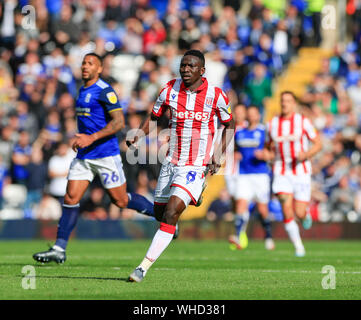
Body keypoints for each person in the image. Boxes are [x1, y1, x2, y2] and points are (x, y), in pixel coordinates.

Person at [33, 53, 156, 264]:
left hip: (106, 155)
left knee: (121, 200)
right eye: (83, 63)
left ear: (99, 69)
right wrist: (80, 139)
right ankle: (59, 248)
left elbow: (119, 122)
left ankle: (163, 216)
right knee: (71, 198)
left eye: (90, 63)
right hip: (84, 156)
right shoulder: (82, 90)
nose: (85, 66)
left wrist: (91, 138)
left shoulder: (105, 91)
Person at [126, 50, 235, 282]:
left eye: (191, 66)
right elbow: (155, 117)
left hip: (195, 165)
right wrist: (138, 134)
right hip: (171, 161)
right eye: (183, 65)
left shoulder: (216, 96)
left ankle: (142, 267)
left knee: (172, 211)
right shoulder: (168, 89)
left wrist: (217, 155)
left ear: (202, 70)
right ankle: (173, 224)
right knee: (160, 212)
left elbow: (229, 124)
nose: (185, 69)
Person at [265, 91, 322, 257]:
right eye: (282, 101)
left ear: (294, 104)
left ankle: (305, 215)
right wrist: (266, 155)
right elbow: (268, 148)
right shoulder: (272, 124)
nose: (284, 104)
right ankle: (299, 247)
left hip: (300, 172)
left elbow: (318, 144)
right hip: (281, 171)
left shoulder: (303, 122)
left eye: (288, 101)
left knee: (299, 212)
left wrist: (306, 154)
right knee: (286, 207)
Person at [228, 106, 275, 251]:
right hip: (244, 174)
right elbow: (235, 149)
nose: (251, 116)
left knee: (262, 209)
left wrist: (266, 156)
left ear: (258, 115)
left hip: (260, 175)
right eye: (249, 114)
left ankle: (268, 236)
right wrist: (236, 154)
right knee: (241, 204)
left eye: (254, 114)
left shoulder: (264, 132)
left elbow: (273, 152)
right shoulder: (240, 133)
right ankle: (238, 235)